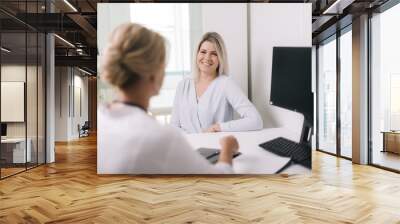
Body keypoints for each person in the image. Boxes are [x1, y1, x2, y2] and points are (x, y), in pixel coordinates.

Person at [98, 23, 239, 174]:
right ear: (152, 74)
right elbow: (217, 181)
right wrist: (227, 149)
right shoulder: (161, 138)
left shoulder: (100, 118)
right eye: (163, 65)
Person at [170, 32, 263, 134]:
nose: (207, 57)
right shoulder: (183, 85)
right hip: (187, 147)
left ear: (220, 58)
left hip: (215, 148)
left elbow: (256, 120)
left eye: (214, 54)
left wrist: (218, 127)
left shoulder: (226, 84)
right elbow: (174, 126)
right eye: (203, 52)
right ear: (197, 54)